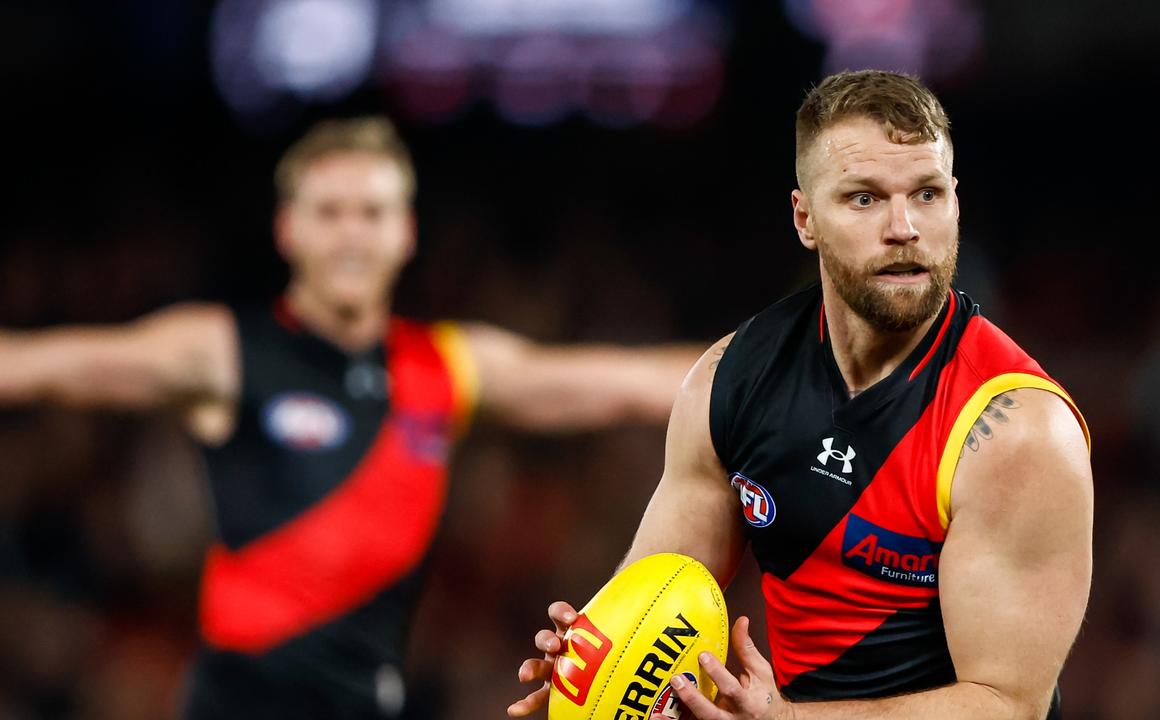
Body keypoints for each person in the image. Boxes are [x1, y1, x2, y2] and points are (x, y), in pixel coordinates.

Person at [0, 117, 700, 719]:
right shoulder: (225, 351)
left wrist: (786, 360)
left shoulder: (446, 367)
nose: (351, 236)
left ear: (405, 232)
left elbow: (623, 383)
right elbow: (49, 366)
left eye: (371, 213)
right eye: (329, 212)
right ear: (287, 228)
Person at [510, 69, 1093, 720]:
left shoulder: (1016, 430)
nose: (904, 227)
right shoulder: (731, 380)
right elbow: (661, 588)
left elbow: (1007, 705)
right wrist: (591, 668)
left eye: (926, 194)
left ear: (955, 202)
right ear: (805, 219)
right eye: (864, 199)